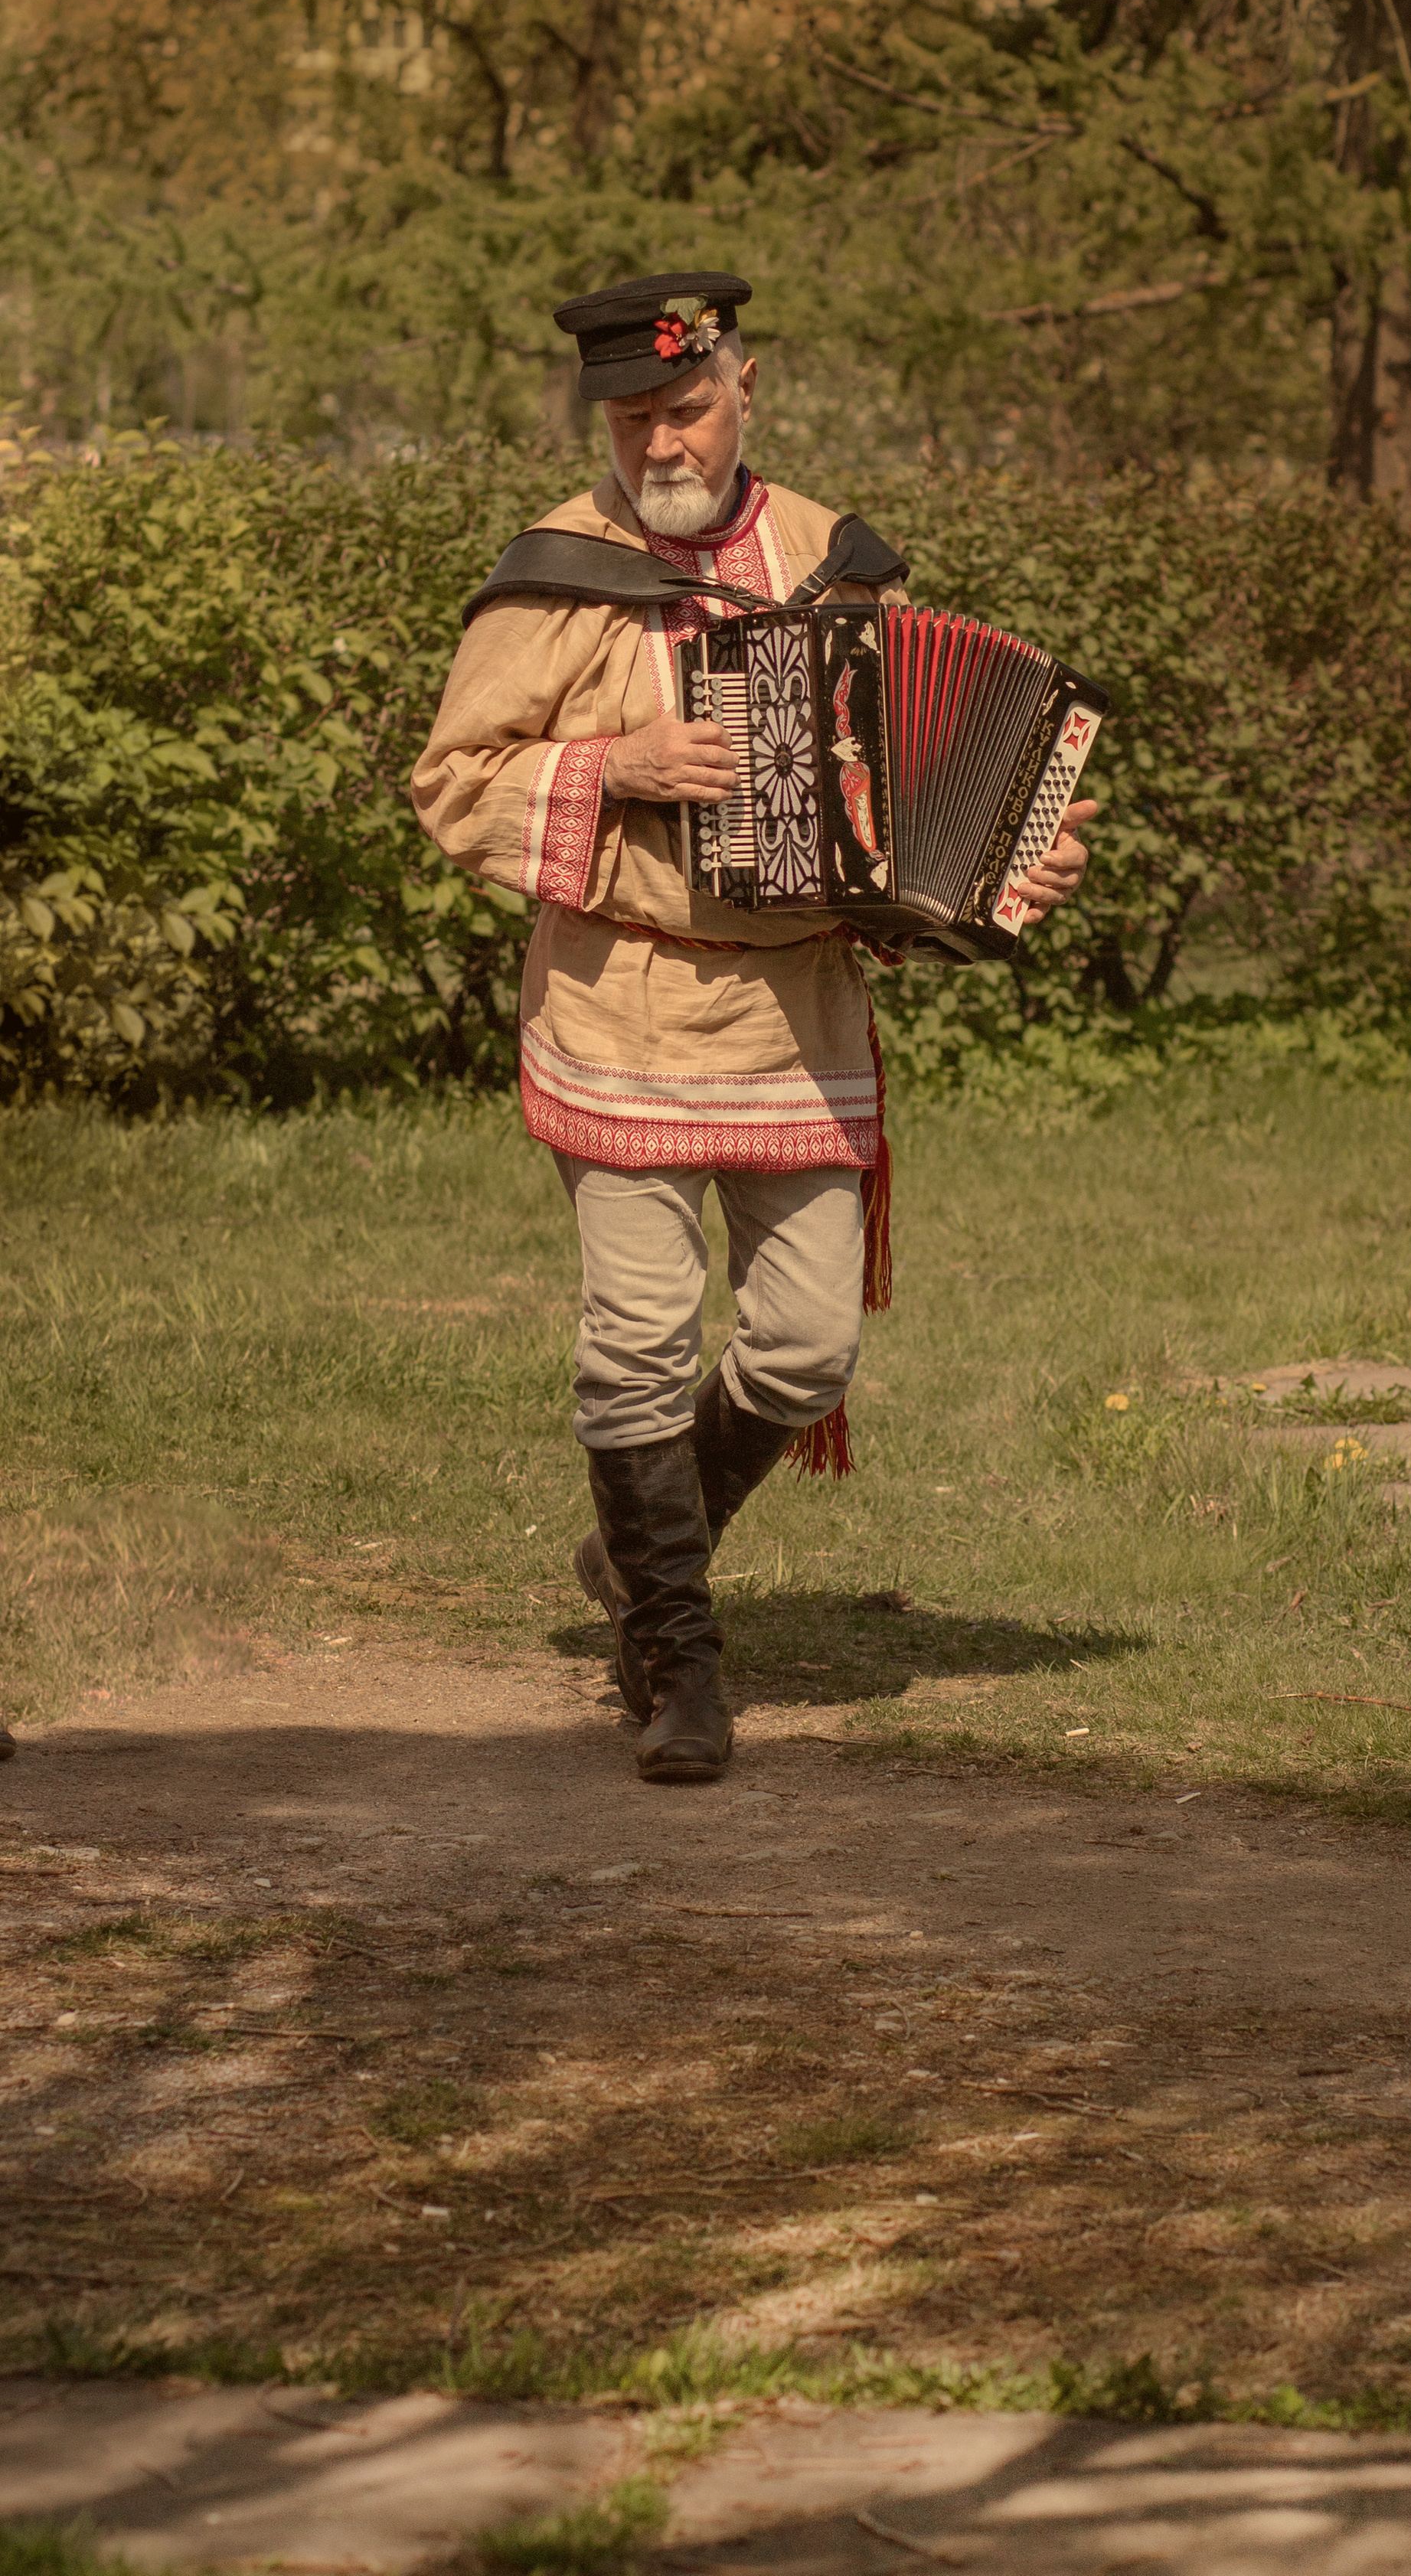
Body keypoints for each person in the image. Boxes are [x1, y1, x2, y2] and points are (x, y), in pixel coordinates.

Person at [412, 272, 1095, 1788]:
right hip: (623, 998)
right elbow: (453, 783)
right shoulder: (559, 574)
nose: (659, 442)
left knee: (803, 1348)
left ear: (746, 386)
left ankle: (629, 1559)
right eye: (629, 419)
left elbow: (898, 803)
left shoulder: (834, 560)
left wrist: (1009, 865)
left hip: (799, 1017)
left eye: (684, 408)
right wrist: (619, 764)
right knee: (641, 1343)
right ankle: (677, 1658)